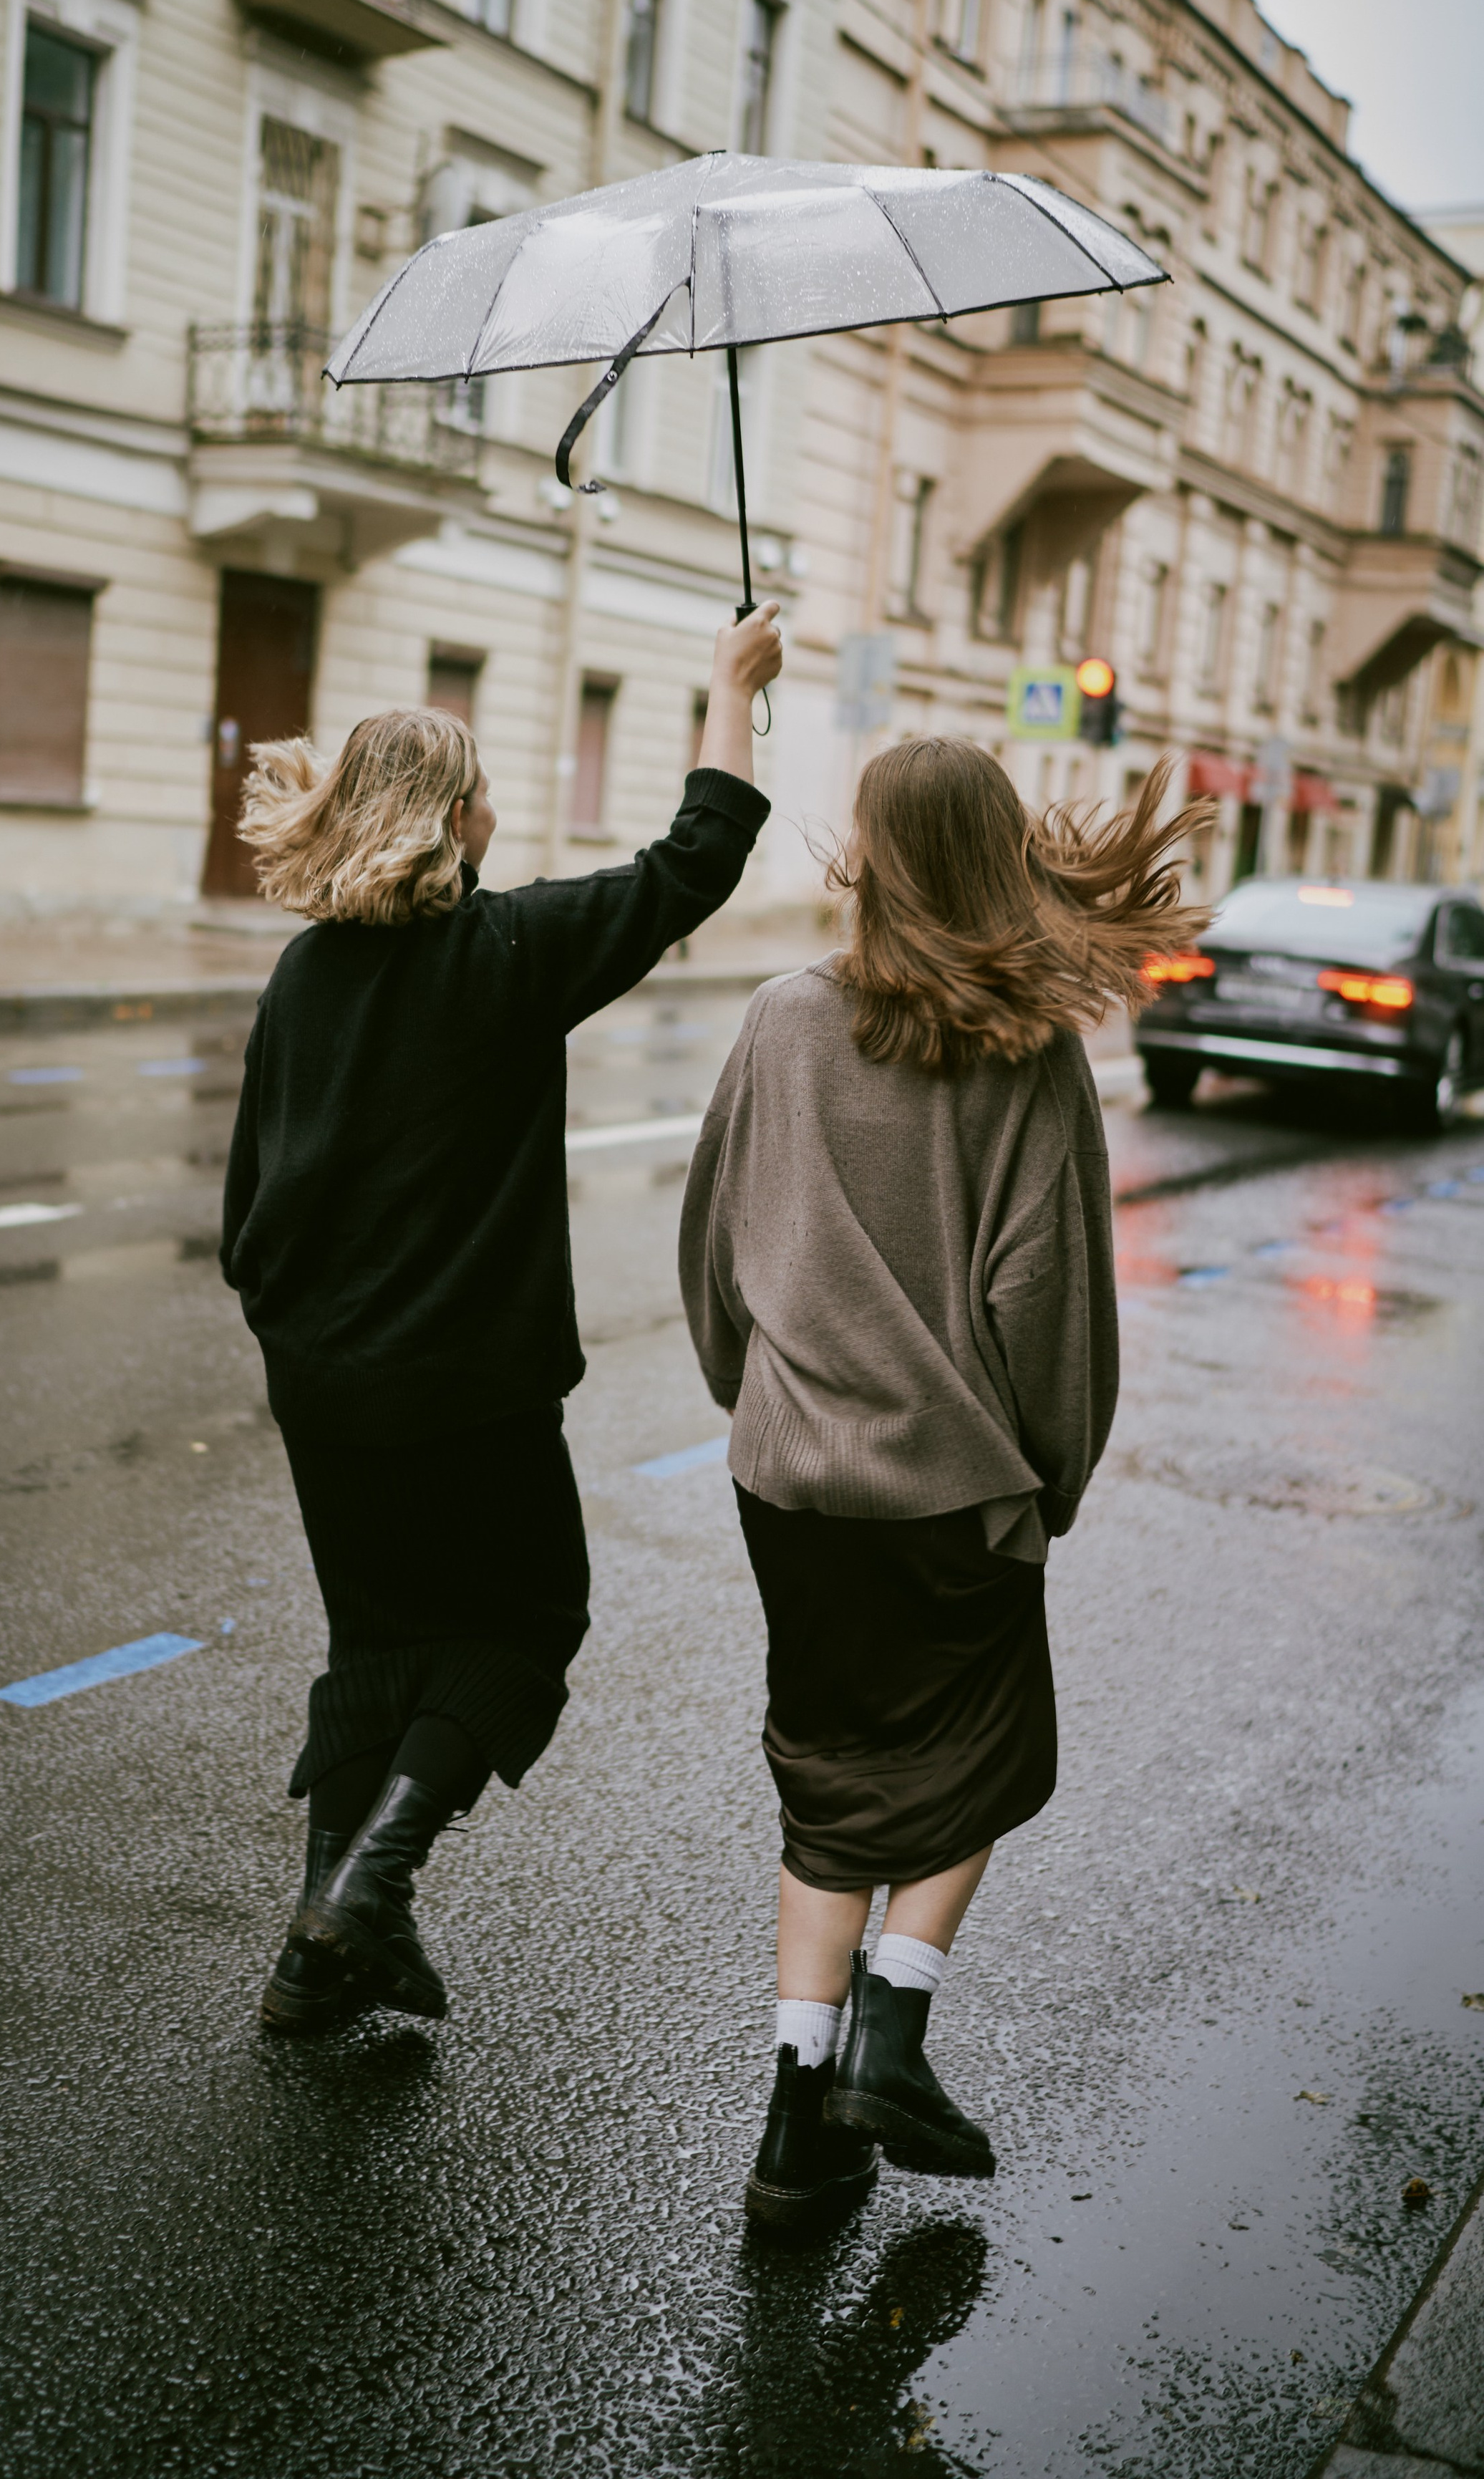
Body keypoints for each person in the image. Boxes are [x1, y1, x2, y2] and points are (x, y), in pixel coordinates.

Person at [223, 607, 783, 2034]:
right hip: (463, 1386)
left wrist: (295, 1326)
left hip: (320, 1382)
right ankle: (373, 1890)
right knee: (529, 1622)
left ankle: (314, 1958)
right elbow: (695, 859)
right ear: (454, 820)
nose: (495, 811)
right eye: (481, 793)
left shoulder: (302, 975)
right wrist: (731, 688)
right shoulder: (507, 951)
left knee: (374, 1648)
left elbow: (247, 1204)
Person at [679, 740, 1210, 2227]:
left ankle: (798, 2137)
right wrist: (1047, 1480)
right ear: (994, 857)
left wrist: (755, 1393)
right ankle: (891, 2036)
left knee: (829, 1770)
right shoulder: (1027, 1051)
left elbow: (713, 1239)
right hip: (949, 1486)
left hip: (787, 1479)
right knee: (985, 1756)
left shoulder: (782, 1021)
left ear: (869, 853)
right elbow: (1047, 1295)